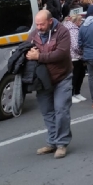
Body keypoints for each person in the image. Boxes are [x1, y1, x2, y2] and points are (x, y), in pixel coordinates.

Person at [27, 10, 73, 159]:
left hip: (62, 76)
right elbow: (27, 50)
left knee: (61, 110)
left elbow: (62, 53)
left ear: (50, 21)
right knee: (47, 111)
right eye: (37, 24)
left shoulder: (62, 31)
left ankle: (61, 144)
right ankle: (52, 142)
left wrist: (39, 56)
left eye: (42, 24)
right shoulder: (34, 34)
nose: (39, 27)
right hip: (43, 79)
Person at [62, 13, 86, 103]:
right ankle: (72, 94)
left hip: (72, 56)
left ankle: (76, 93)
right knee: (75, 76)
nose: (81, 22)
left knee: (79, 75)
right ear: (76, 21)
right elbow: (76, 45)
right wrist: (82, 52)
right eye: (80, 21)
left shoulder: (68, 28)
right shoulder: (73, 30)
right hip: (75, 57)